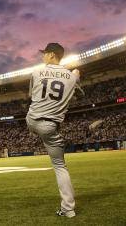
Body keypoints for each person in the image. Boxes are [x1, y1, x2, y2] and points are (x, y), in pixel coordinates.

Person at [26, 42, 80, 218]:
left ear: (51, 55)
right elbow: (73, 81)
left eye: (44, 53)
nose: (42, 56)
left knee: (35, 118)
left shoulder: (36, 72)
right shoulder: (71, 78)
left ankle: (68, 209)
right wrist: (75, 76)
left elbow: (31, 95)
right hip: (50, 126)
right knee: (59, 166)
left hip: (32, 121)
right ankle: (68, 209)